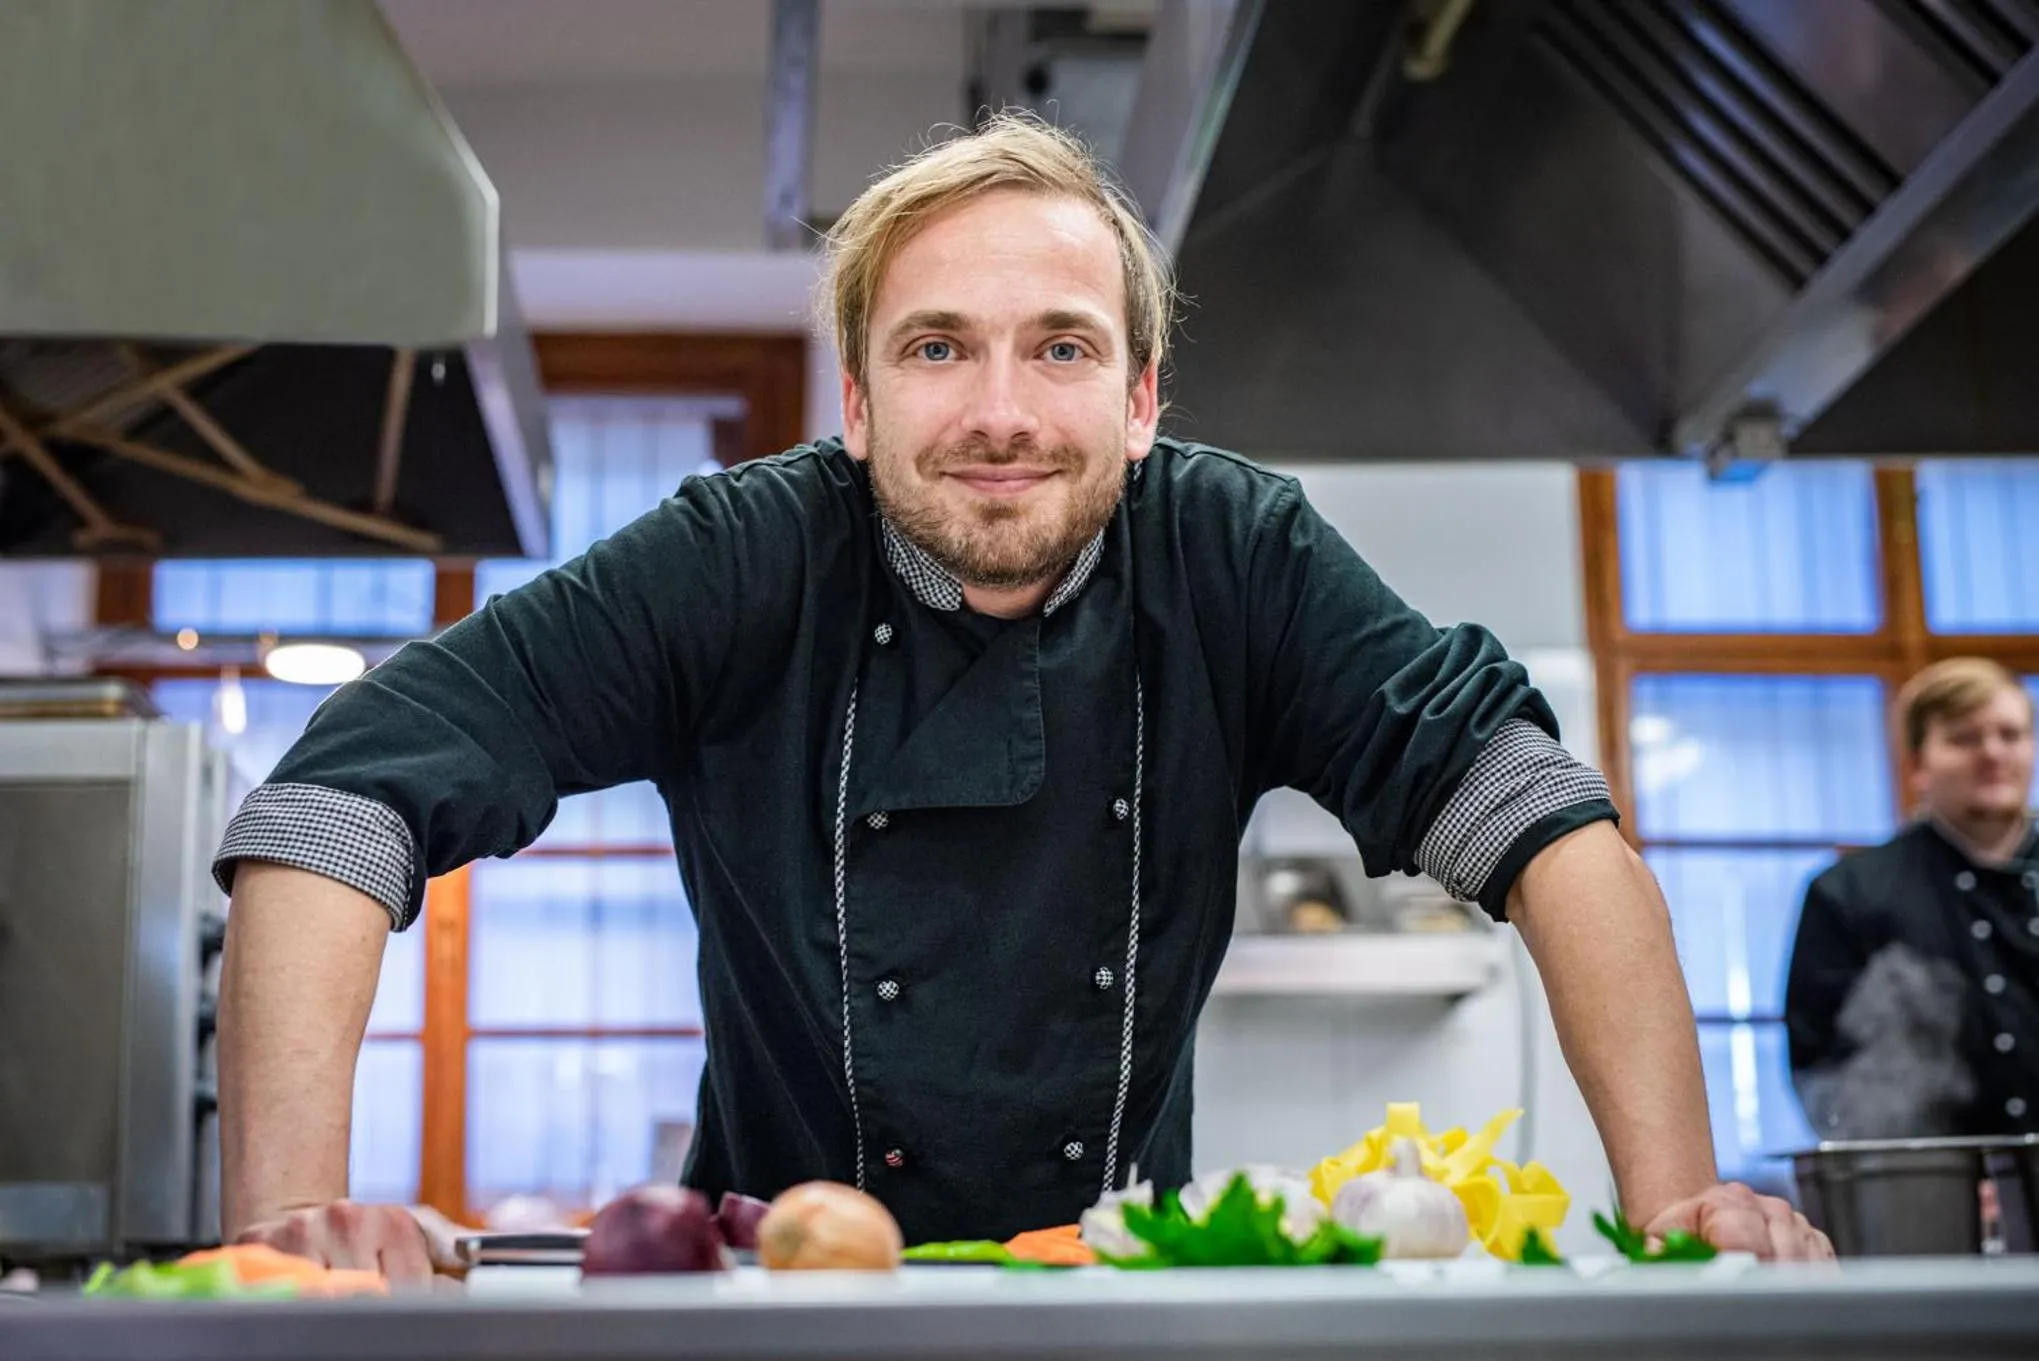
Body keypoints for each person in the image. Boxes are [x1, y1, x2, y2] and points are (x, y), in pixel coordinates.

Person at [214, 114, 1830, 1279]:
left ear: (1139, 400)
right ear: (852, 402)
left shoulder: (1230, 550)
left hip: (1109, 1307)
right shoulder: (740, 556)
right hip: (768, 1317)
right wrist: (281, 1246)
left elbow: (1546, 826)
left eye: (1058, 349)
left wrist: (1676, 1210)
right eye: (934, 349)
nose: (998, 412)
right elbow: (338, 800)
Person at [1787, 658, 2038, 1138]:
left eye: (2011, 734)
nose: (1992, 753)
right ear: (1918, 765)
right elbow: (1822, 1065)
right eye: (1964, 738)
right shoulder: (1850, 893)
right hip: (1936, 1189)